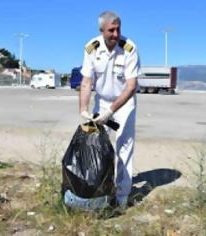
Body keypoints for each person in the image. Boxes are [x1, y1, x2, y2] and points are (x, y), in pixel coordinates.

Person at [79, 11, 140, 209]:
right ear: (101, 30)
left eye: (118, 29)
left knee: (124, 148)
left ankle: (122, 196)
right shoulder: (91, 48)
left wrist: (111, 111)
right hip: (102, 102)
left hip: (124, 103)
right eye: (111, 30)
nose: (115, 34)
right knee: (97, 147)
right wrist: (83, 110)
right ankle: (101, 190)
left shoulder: (129, 48)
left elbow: (131, 87)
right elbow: (86, 82)